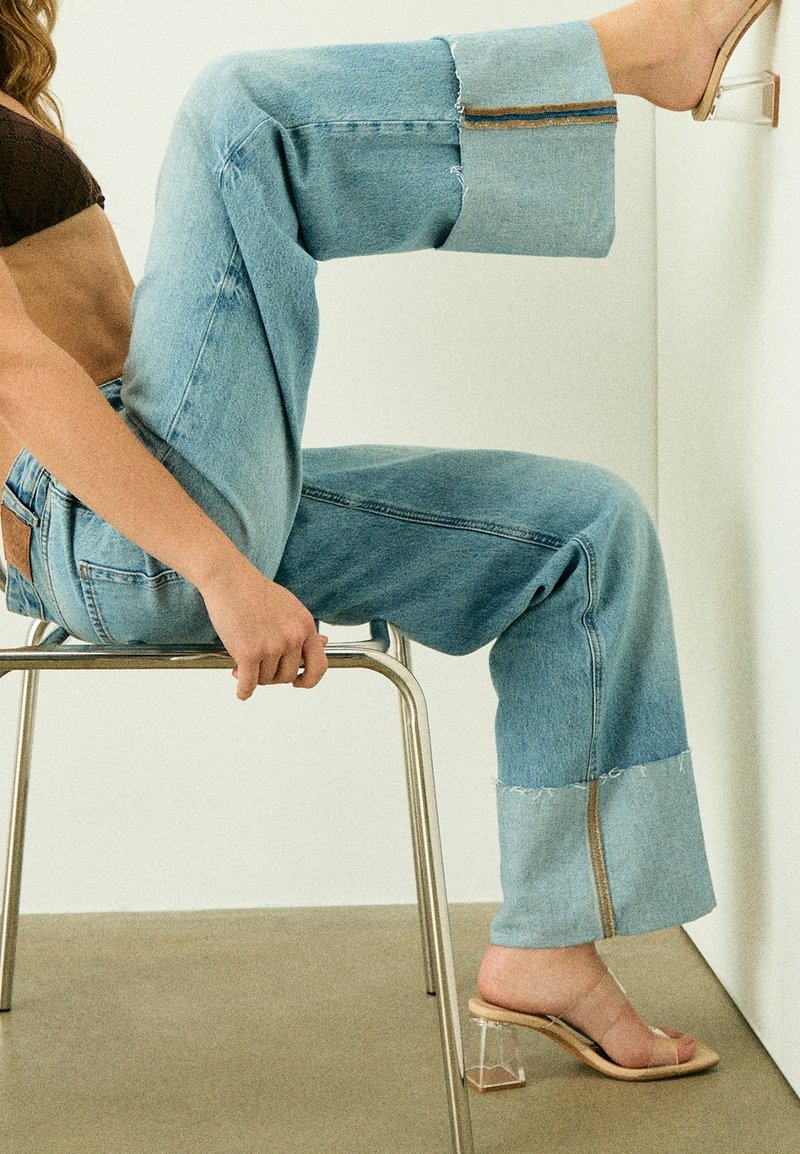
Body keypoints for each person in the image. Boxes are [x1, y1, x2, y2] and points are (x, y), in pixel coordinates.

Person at [0, 0, 774, 1081]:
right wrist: (220, 568)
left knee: (583, 531)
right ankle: (635, 51)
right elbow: (12, 366)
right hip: (119, 533)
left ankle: (549, 944)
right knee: (243, 113)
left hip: (156, 480)